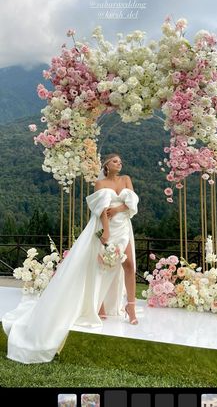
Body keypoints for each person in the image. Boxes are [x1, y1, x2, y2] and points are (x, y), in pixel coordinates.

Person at [2, 153, 139, 364]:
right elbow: (100, 209)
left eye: (120, 161)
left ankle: (130, 305)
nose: (119, 164)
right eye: (115, 161)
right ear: (106, 165)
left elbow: (131, 203)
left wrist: (117, 209)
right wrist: (106, 232)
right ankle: (97, 306)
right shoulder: (100, 182)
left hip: (124, 226)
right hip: (106, 228)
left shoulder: (126, 179)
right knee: (101, 267)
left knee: (128, 264)